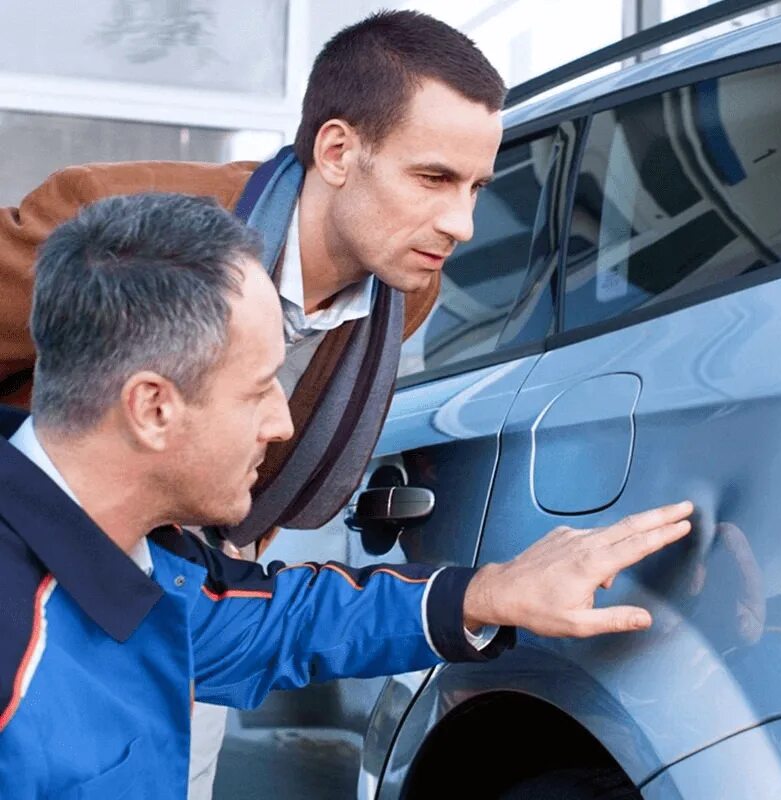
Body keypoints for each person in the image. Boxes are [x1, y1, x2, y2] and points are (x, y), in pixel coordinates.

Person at [0, 192, 694, 798]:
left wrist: (487, 593)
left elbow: (276, 621)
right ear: (153, 408)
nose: (283, 421)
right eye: (256, 388)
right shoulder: (16, 660)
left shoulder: (139, 561)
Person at [0, 11, 526, 794]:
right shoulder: (132, 233)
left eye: (477, 186)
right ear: (339, 151)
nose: (462, 222)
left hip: (184, 584)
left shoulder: (405, 287)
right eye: (434, 178)